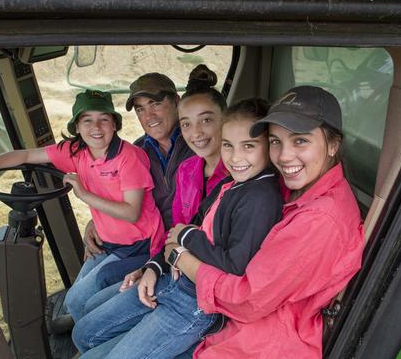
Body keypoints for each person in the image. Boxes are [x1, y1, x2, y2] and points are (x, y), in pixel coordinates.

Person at [74, 98, 283, 358]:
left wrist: (186, 237)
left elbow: (233, 262)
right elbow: (185, 226)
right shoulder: (230, 183)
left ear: (271, 147)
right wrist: (154, 266)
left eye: (249, 146)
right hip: (172, 278)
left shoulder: (261, 196)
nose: (235, 157)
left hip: (196, 303)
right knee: (82, 333)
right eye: (228, 145)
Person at [169, 86, 365, 358]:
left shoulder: (318, 219)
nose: (284, 156)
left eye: (300, 141)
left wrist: (182, 258)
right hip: (231, 327)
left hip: (256, 344)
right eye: (275, 141)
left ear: (333, 145)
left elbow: (246, 300)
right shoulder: (297, 188)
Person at [0, 89, 165, 323]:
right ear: (77, 127)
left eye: (104, 120)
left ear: (115, 125)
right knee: (75, 297)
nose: (96, 128)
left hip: (141, 245)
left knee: (77, 300)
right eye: (87, 120)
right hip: (110, 242)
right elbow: (27, 155)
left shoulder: (129, 157)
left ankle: (89, 336)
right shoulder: (76, 151)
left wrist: (84, 194)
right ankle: (82, 320)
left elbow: (131, 213)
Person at [73, 64, 230, 315]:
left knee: (90, 290)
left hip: (170, 246)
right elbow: (122, 197)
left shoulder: (199, 145)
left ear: (177, 102)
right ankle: (79, 323)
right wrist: (96, 222)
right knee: (81, 284)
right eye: (140, 109)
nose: (149, 116)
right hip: (140, 238)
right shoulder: (137, 152)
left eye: (155, 104)